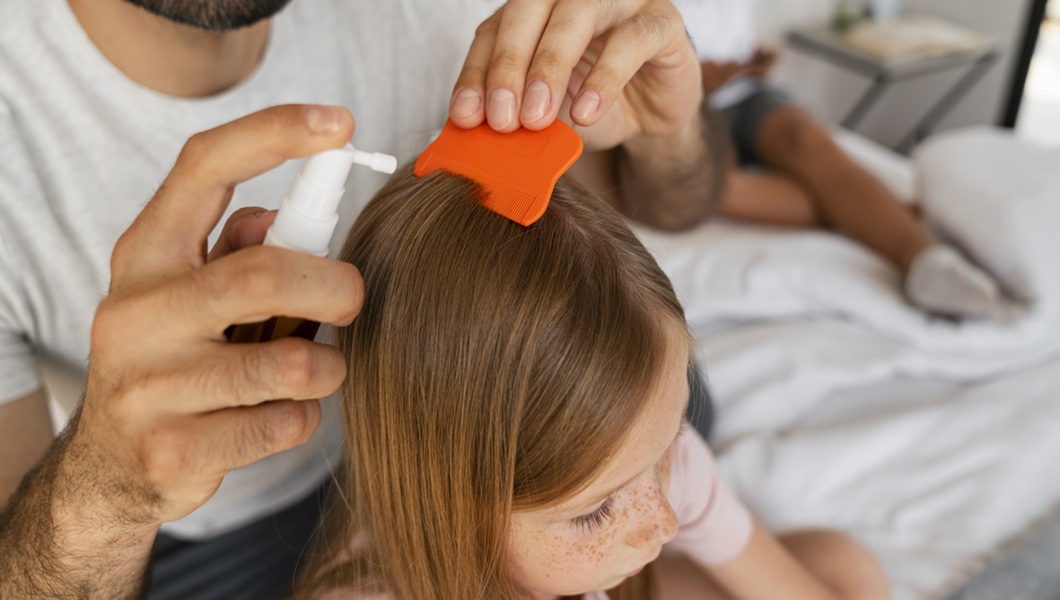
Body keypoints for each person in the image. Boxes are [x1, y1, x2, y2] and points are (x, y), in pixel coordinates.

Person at [0, 0, 721, 598]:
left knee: (686, 418)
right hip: (216, 529)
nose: (657, 518)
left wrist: (672, 133)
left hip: (473, 433)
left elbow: (669, 205)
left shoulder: (461, 22)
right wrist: (106, 492)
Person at [290, 163, 892, 599]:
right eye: (594, 512)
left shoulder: (654, 465)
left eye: (668, 442)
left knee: (842, 567)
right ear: (450, 501)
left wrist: (640, 476)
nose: (663, 521)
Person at [670, 0, 1002, 318]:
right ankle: (894, 215)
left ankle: (926, 259)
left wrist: (753, 59)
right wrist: (691, 79)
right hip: (681, 109)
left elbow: (730, 39)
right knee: (710, 189)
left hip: (746, 94)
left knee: (805, 137)